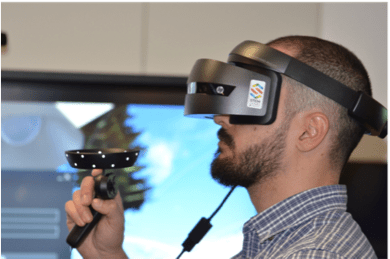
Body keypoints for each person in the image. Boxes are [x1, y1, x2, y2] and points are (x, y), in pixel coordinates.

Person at [65, 36, 378, 258]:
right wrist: (107, 255)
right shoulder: (274, 246)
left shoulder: (313, 254)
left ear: (310, 131)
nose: (221, 117)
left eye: (254, 99)